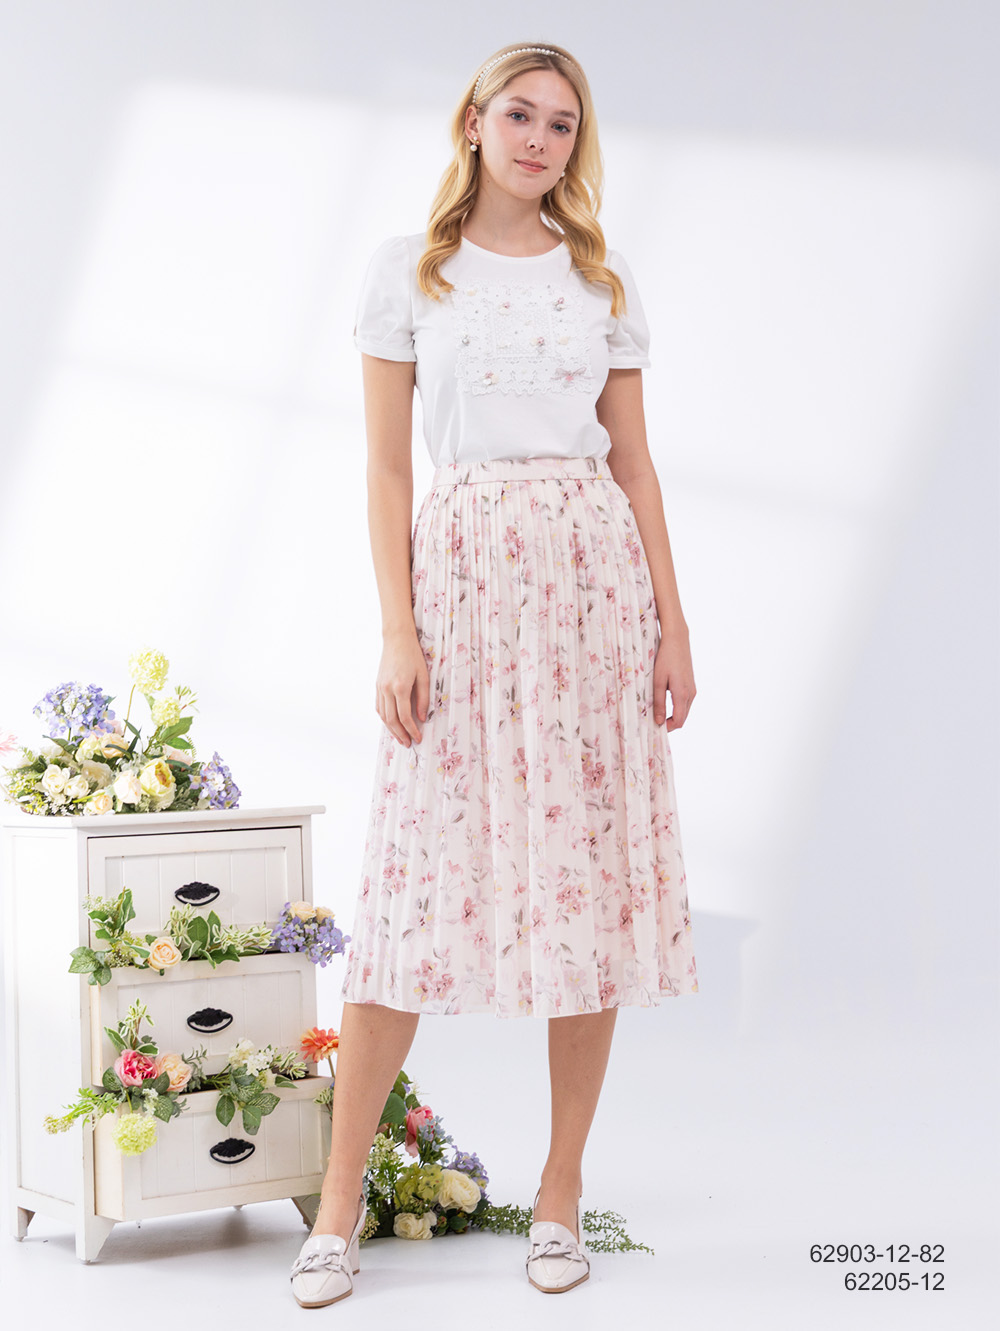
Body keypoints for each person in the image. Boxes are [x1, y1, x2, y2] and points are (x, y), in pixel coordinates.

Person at [290, 40, 699, 1308]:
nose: (538, 140)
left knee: (585, 882)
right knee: (409, 892)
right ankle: (338, 1204)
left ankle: (560, 1189)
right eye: (518, 114)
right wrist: (397, 629)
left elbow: (633, 464)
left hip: (590, 591)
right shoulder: (411, 272)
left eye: (561, 124)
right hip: (463, 587)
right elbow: (386, 470)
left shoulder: (598, 278)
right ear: (471, 123)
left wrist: (672, 626)